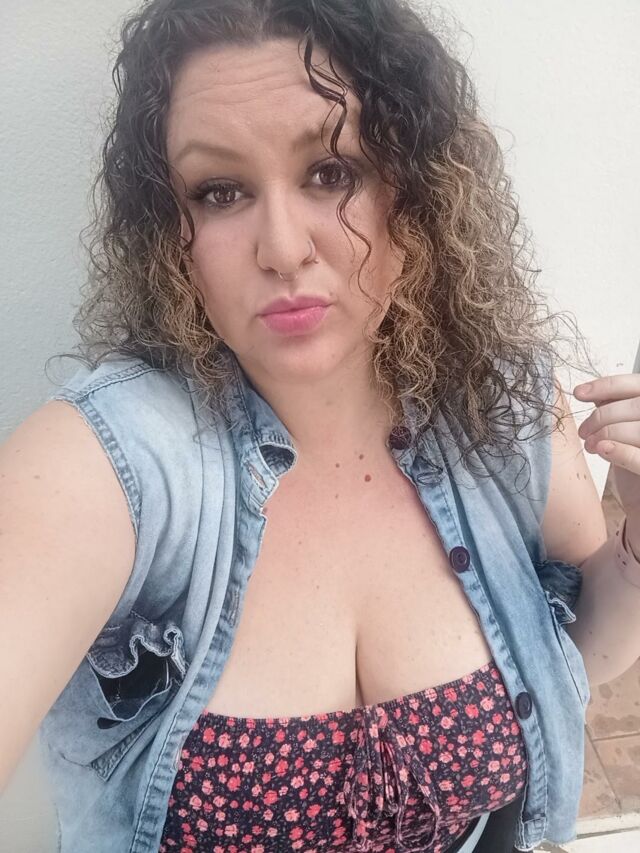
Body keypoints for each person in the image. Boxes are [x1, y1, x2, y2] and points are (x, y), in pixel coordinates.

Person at [3, 1, 640, 852]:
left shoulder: (502, 408)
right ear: (169, 232)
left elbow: (589, 658)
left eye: (331, 171)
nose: (282, 247)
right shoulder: (100, 466)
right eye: (220, 191)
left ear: (417, 189)